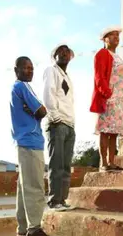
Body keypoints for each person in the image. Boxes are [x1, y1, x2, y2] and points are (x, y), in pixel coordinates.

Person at [10, 57, 57, 236]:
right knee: (35, 187)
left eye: (31, 68)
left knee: (24, 188)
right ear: (17, 70)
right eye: (25, 68)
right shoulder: (22, 86)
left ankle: (23, 228)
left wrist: (33, 110)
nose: (29, 71)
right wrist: (36, 110)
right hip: (31, 142)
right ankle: (34, 229)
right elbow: (41, 111)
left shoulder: (16, 88)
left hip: (23, 142)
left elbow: (36, 110)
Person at [90, 26, 123, 171]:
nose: (116, 37)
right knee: (105, 131)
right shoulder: (102, 53)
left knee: (114, 132)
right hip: (109, 98)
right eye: (112, 35)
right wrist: (107, 94)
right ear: (104, 39)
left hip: (120, 99)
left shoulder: (118, 57)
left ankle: (112, 161)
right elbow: (99, 76)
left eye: (117, 35)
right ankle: (103, 163)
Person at [43, 44, 76, 211]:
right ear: (54, 56)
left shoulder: (67, 76)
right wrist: (55, 117)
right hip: (58, 123)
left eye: (66, 52)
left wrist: (71, 122)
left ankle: (62, 200)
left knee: (65, 165)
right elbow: (48, 94)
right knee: (56, 164)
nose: (64, 54)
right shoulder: (51, 71)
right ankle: (54, 200)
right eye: (60, 52)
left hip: (69, 124)